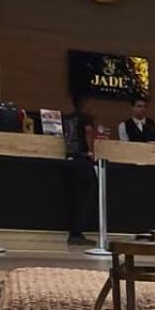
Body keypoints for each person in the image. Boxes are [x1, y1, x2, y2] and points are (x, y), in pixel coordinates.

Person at [63, 90, 96, 246]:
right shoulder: (86, 118)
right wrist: (91, 151)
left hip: (70, 159)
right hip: (83, 160)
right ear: (84, 103)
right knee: (85, 196)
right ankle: (77, 232)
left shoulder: (67, 118)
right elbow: (88, 131)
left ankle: (73, 232)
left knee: (73, 197)